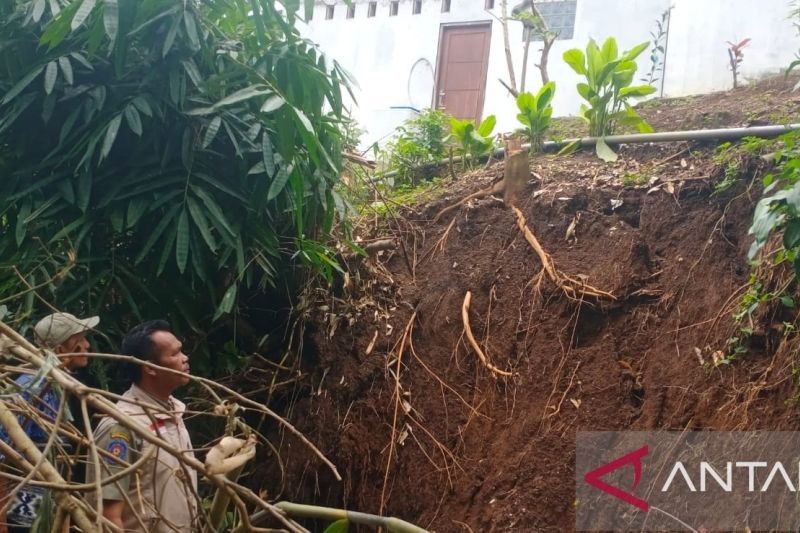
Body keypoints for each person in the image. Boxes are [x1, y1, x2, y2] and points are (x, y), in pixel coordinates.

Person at [89, 320, 197, 532]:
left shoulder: (174, 411)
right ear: (150, 368)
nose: (185, 358)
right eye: (174, 354)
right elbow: (108, 516)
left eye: (182, 351)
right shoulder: (122, 425)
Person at [0, 312, 99, 533]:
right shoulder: (33, 387)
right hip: (25, 496)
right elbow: (3, 454)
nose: (87, 345)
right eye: (79, 340)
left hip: (43, 494)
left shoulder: (55, 385)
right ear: (61, 350)